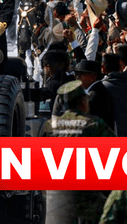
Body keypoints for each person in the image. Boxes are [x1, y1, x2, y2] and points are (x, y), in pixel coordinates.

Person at [46, 80, 115, 224]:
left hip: (56, 197)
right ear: (83, 102)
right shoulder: (94, 124)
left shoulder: (50, 127)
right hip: (86, 196)